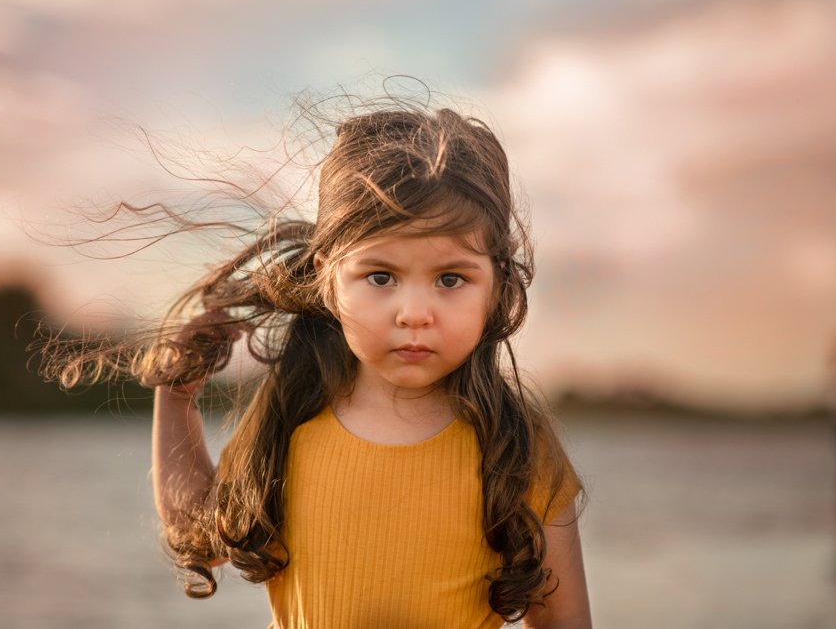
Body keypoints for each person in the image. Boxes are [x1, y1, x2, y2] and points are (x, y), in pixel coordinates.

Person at [58, 98, 591, 627]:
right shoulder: (290, 421)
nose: (414, 314)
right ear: (329, 281)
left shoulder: (518, 448)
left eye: (451, 279)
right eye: (380, 277)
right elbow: (196, 530)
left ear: (495, 287)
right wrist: (176, 395)